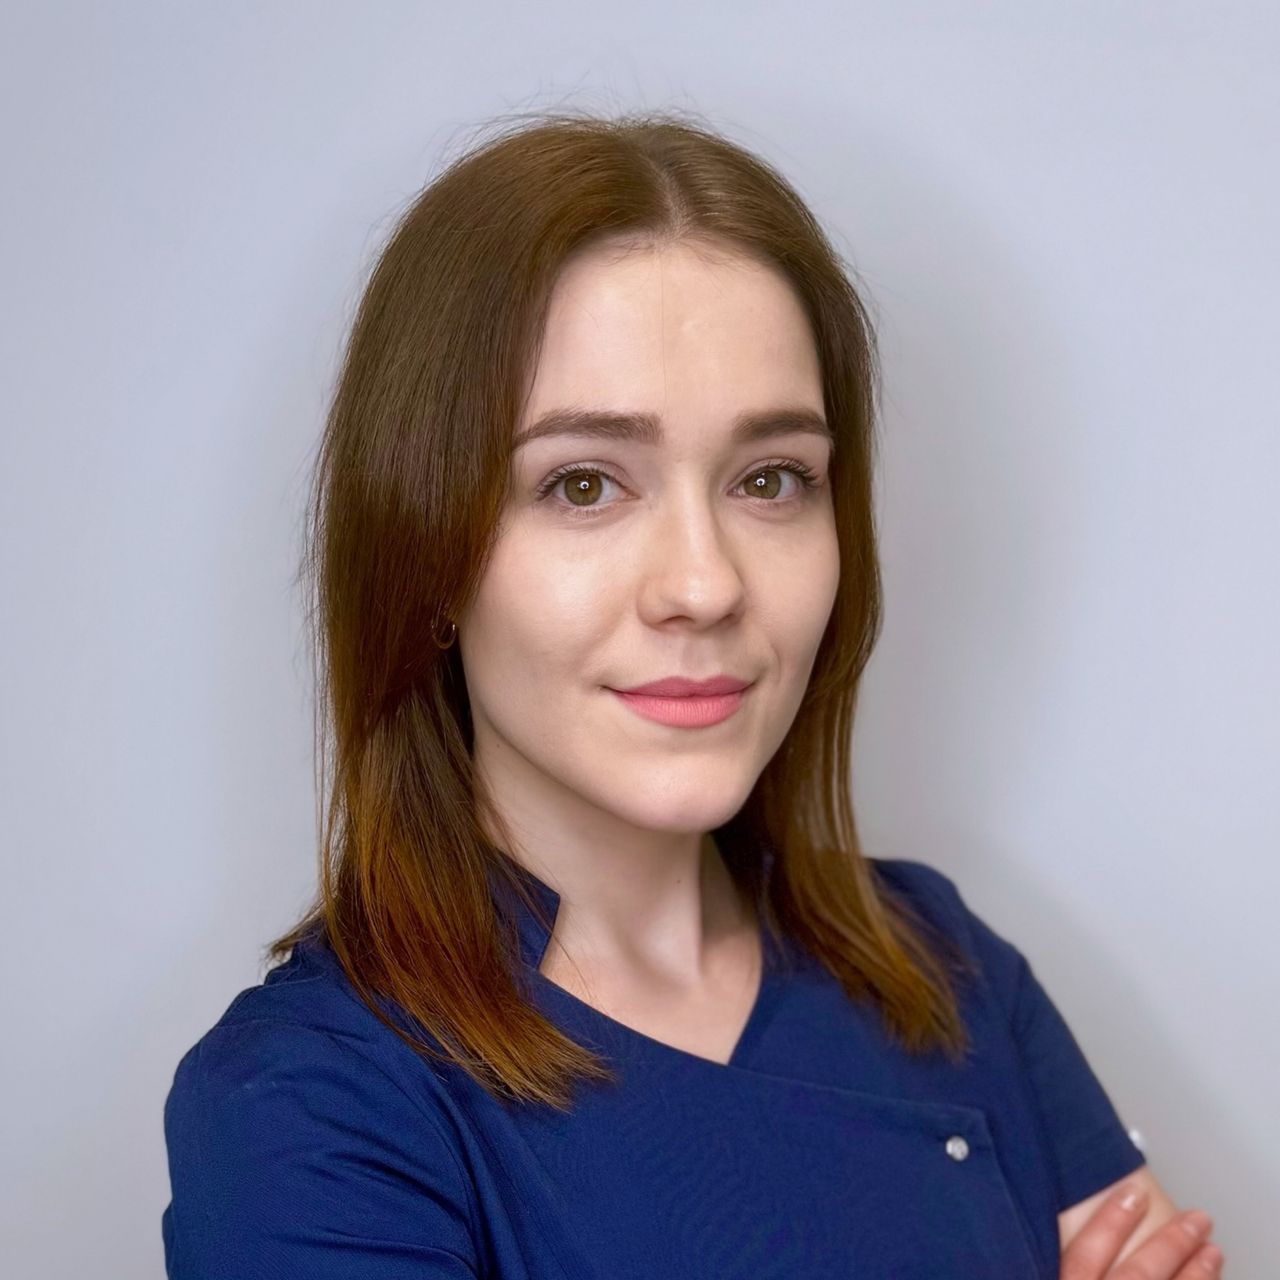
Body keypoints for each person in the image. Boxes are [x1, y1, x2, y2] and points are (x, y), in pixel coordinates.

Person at [160, 109, 1223, 1278]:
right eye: (581, 484)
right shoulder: (311, 1102)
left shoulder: (942, 966)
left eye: (769, 479)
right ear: (425, 551)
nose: (704, 584)